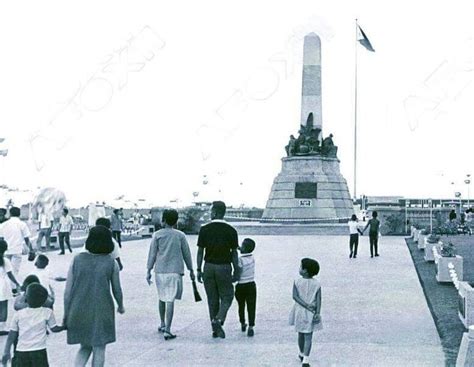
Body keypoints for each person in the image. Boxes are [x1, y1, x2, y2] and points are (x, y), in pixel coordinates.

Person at [63, 225, 124, 367]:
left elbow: (67, 293)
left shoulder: (76, 260)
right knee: (99, 347)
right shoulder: (111, 262)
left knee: (85, 346)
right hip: (101, 310)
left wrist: (66, 315)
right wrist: (120, 306)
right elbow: (117, 290)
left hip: (79, 310)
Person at [146, 209, 194, 340]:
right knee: (170, 299)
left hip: (160, 271)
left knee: (162, 297)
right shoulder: (180, 235)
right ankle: (168, 329)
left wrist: (148, 270)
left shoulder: (157, 235)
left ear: (164, 220)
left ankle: (162, 323)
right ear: (176, 220)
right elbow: (187, 254)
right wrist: (191, 270)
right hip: (175, 271)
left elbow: (152, 254)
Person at [196, 201, 239, 339]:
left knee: (212, 299)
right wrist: (236, 270)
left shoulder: (204, 229)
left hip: (208, 267)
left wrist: (198, 269)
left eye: (211, 211)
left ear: (215, 212)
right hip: (224, 267)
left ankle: (214, 329)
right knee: (227, 296)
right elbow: (234, 253)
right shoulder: (231, 230)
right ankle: (218, 320)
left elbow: (200, 252)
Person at [1, 283, 64, 367]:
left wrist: (6, 351)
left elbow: (12, 335)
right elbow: (54, 328)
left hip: (21, 351)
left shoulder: (19, 314)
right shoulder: (47, 312)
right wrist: (64, 326)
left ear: (26, 298)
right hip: (39, 352)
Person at [289, 258, 322, 367]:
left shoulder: (297, 281)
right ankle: (306, 359)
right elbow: (319, 299)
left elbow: (295, 296)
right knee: (309, 336)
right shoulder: (317, 284)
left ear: (305, 271)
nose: (299, 268)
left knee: (300, 333)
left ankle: (301, 353)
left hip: (299, 311)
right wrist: (317, 312)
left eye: (301, 267)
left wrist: (305, 305)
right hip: (311, 312)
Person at [0, 207, 35, 283]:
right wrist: (31, 250)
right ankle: (14, 290)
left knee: (4, 271)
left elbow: (1, 239)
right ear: (19, 214)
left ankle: (4, 288)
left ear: (10, 214)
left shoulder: (3, 225)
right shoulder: (22, 224)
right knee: (14, 271)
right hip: (17, 250)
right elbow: (26, 239)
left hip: (5, 251)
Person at [234, 238, 257, 337]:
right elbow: (244, 251)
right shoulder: (252, 258)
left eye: (242, 245)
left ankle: (243, 323)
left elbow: (238, 273)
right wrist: (239, 248)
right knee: (251, 306)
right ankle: (251, 326)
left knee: (241, 306)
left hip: (241, 285)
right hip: (251, 284)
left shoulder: (240, 260)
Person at [0, 240, 21, 335]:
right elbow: (10, 275)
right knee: (3, 306)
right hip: (3, 285)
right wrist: (17, 284)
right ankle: (2, 326)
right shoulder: (5, 261)